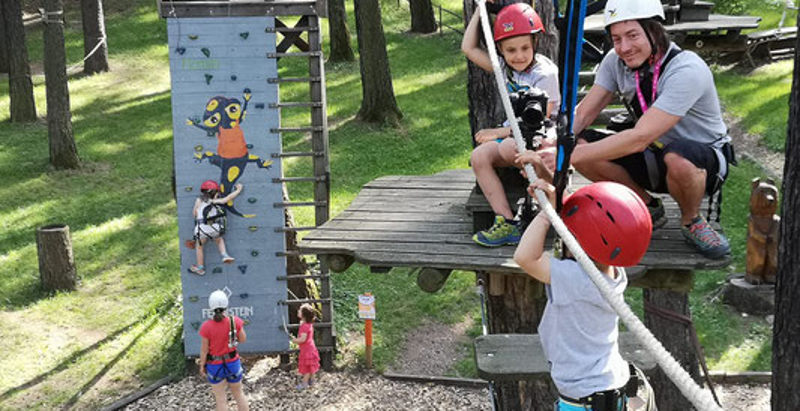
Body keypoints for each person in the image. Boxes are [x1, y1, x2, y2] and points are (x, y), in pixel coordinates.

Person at [542, 0, 733, 258]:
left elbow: (640, 137)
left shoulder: (687, 69)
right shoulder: (615, 60)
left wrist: (566, 158)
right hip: (653, 154)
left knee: (678, 156)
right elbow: (586, 113)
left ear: (655, 31)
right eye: (616, 38)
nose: (624, 47)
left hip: (699, 163)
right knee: (580, 142)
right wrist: (552, 142)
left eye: (632, 35)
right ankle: (648, 206)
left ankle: (692, 221)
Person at [514, 179, 652, 411]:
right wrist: (556, 198)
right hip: (605, 386)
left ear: (579, 242)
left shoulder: (577, 279)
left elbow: (525, 257)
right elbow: (596, 215)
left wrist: (546, 214)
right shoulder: (614, 271)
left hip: (585, 399)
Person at [461, 1, 560, 247]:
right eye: (511, 50)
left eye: (525, 47)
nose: (519, 56)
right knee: (479, 157)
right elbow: (469, 48)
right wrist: (480, 11)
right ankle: (506, 221)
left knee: (507, 147)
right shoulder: (504, 68)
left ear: (535, 43)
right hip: (513, 137)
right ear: (501, 51)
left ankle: (541, 208)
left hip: (542, 136)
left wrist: (498, 131)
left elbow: (542, 119)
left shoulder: (545, 73)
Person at [199, 290, 249, 411]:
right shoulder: (234, 321)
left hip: (214, 366)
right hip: (233, 363)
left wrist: (202, 365)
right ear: (226, 305)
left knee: (221, 399)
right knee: (239, 394)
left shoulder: (206, 326)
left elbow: (204, 350)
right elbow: (243, 339)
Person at [189, 180, 243, 275]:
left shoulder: (199, 200)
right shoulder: (214, 201)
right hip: (214, 227)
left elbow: (194, 214)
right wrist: (238, 190)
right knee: (219, 240)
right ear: (215, 193)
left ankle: (200, 268)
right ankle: (224, 255)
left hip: (201, 229)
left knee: (199, 247)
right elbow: (227, 199)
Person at [292, 303, 320, 390]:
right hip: (310, 348)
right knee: (311, 366)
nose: (298, 311)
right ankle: (312, 382)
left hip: (307, 350)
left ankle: (304, 383)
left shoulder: (304, 326)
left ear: (304, 315)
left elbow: (302, 339)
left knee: (307, 368)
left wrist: (295, 340)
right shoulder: (307, 324)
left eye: (300, 310)